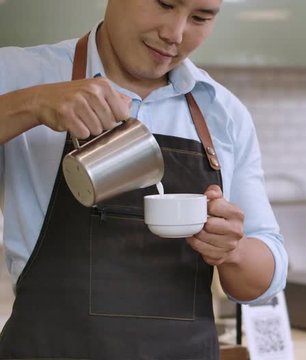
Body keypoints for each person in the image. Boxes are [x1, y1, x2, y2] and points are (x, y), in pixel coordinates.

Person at [0, 0, 287, 358]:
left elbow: (264, 279)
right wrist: (31, 105)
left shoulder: (223, 114)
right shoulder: (18, 74)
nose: (175, 34)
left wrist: (233, 250)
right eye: (165, 4)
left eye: (200, 17)